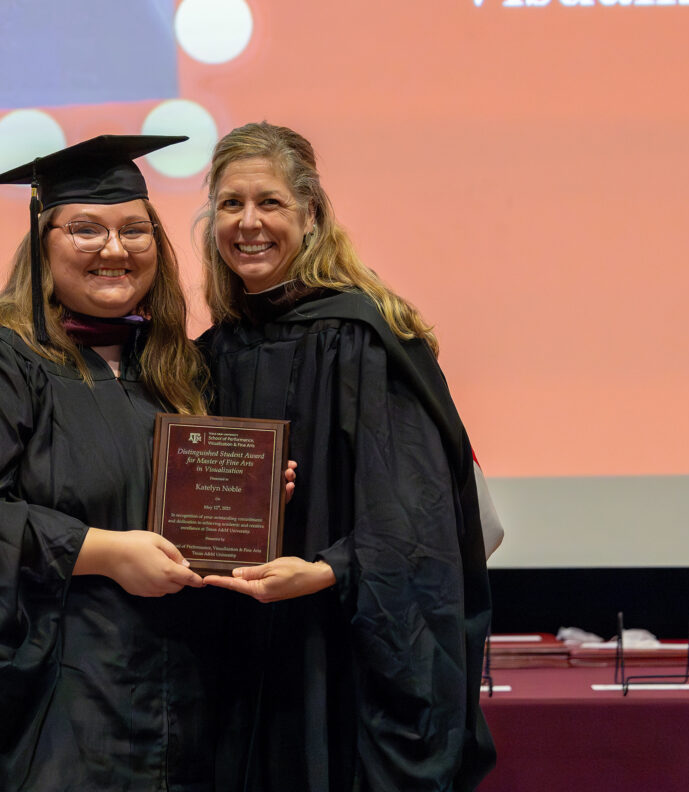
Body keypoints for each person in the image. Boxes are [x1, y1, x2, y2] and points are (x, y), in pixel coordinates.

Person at [0, 135, 219, 792]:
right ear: (42, 244)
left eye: (134, 230)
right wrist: (102, 552)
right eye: (86, 229)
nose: (114, 249)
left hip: (170, 691)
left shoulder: (172, 369)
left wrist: (245, 497)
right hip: (50, 705)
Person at [197, 122, 496, 791]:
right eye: (229, 203)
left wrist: (323, 570)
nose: (249, 223)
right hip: (244, 660)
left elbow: (418, 520)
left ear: (310, 215)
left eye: (269, 202)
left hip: (343, 662)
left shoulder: (363, 339)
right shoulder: (213, 353)